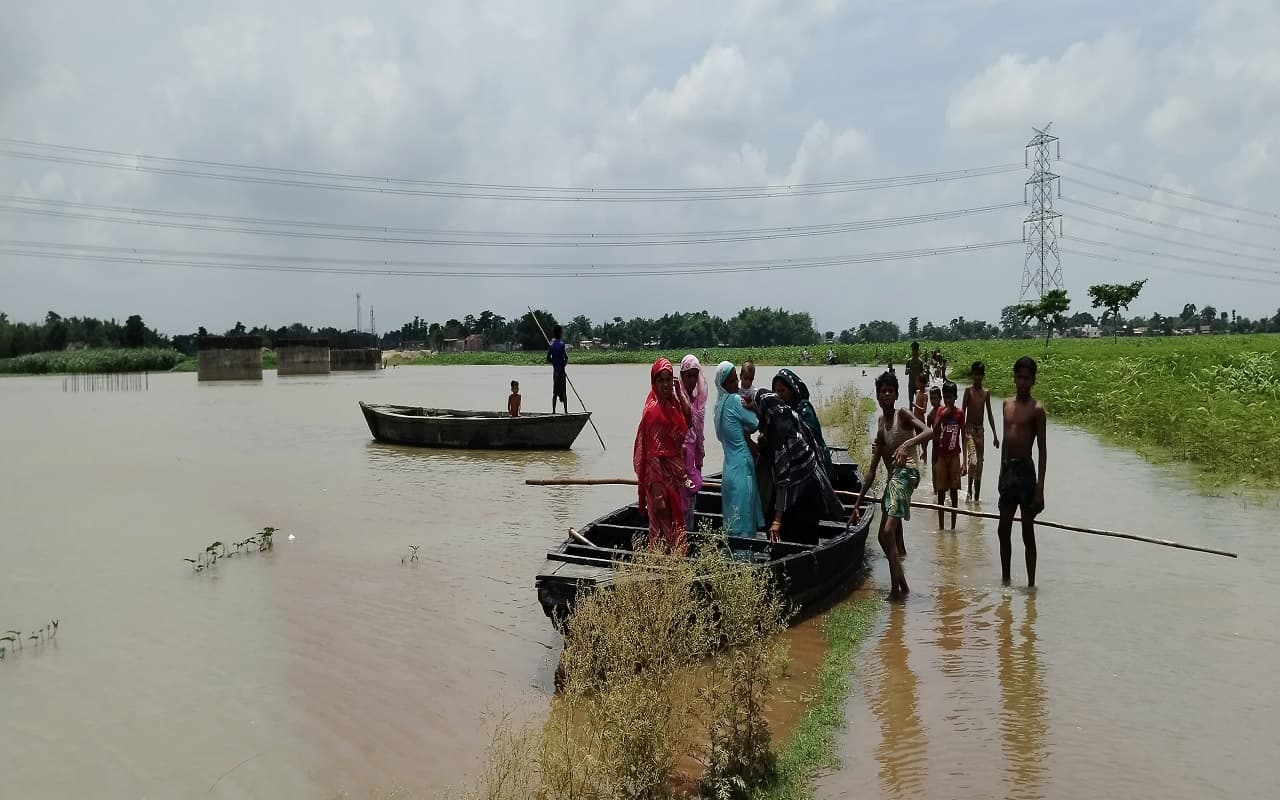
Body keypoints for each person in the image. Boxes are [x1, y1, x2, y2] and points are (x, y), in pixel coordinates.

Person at [849, 371, 929, 600]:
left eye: (890, 391)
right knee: (884, 538)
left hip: (908, 473)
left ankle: (895, 591)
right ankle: (903, 585)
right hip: (894, 478)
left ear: (895, 395)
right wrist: (857, 504)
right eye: (883, 391)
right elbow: (872, 471)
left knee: (887, 531)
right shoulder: (881, 425)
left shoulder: (903, 413)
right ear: (877, 395)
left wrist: (907, 445)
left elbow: (928, 431)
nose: (886, 394)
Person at [753, 389, 844, 545]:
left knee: (794, 535)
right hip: (812, 487)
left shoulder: (780, 440)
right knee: (806, 537)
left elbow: (783, 482)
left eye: (758, 410)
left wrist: (777, 521)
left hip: (805, 495)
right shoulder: (792, 418)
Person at [633, 358, 692, 553]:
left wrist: (679, 393)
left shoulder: (672, 405)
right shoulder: (652, 411)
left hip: (673, 479)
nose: (665, 385)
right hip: (659, 480)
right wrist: (658, 493)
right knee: (660, 525)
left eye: (669, 380)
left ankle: (673, 568)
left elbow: (688, 422)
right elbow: (652, 455)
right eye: (661, 380)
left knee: (674, 523)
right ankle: (660, 568)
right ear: (654, 382)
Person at [998, 356, 1047, 587]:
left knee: (1028, 531)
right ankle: (1006, 579)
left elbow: (1042, 450)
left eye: (1027, 378)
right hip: (1009, 470)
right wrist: (1000, 472)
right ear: (1014, 378)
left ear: (1033, 380)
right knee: (1003, 529)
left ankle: (1030, 584)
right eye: (1020, 377)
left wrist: (1040, 489)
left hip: (1026, 471)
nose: (1023, 382)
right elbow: (1006, 443)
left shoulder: (1037, 410)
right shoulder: (1006, 405)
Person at [713, 361, 764, 536]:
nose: (738, 384)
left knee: (732, 518)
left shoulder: (717, 406)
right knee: (744, 515)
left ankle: (732, 559)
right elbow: (755, 423)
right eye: (733, 381)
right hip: (742, 464)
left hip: (728, 468)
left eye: (737, 380)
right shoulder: (735, 400)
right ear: (724, 385)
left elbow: (721, 435)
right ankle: (745, 559)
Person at [773, 368, 833, 476]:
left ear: (792, 391)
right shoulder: (780, 410)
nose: (779, 395)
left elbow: (812, 438)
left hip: (815, 462)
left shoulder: (804, 409)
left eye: (782, 391)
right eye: (776, 391)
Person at [962, 360, 1000, 503]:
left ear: (983, 376)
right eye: (975, 375)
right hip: (969, 430)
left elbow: (989, 414)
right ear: (972, 375)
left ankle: (976, 497)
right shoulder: (968, 391)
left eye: (980, 375)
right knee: (973, 461)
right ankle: (969, 490)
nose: (977, 377)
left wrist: (995, 435)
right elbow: (963, 411)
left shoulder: (986, 393)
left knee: (980, 465)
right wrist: (963, 431)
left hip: (980, 432)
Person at [678, 355, 708, 532]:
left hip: (693, 460)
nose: (691, 380)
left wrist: (700, 461)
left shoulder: (698, 401)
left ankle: (686, 541)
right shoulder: (676, 399)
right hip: (680, 459)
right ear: (681, 376)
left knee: (690, 505)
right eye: (688, 375)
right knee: (680, 504)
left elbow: (699, 436)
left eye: (694, 376)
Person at [932, 381, 966, 530]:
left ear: (955, 397)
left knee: (953, 491)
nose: (948, 400)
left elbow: (964, 436)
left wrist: (964, 461)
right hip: (941, 455)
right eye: (945, 397)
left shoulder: (959, 413)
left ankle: (952, 527)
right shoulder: (940, 411)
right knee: (941, 492)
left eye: (950, 397)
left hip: (954, 456)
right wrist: (941, 417)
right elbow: (934, 430)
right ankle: (940, 527)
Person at [546, 325, 569, 414]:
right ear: (560, 333)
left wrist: (554, 363)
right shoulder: (562, 345)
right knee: (563, 392)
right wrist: (563, 365)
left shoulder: (551, 346)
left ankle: (553, 411)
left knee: (555, 393)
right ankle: (566, 411)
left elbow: (548, 358)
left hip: (555, 373)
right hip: (561, 372)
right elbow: (566, 358)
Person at [923, 385, 942, 464]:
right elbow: (928, 433)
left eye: (935, 398)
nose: (933, 401)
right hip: (935, 444)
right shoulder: (930, 415)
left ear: (940, 398)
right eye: (931, 398)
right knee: (934, 468)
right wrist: (924, 450)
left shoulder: (945, 412)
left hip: (944, 444)